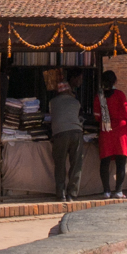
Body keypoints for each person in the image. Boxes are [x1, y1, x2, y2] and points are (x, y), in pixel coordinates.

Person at [94, 70, 127, 199]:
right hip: (121, 132)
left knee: (105, 162)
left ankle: (106, 191)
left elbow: (97, 116)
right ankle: (118, 191)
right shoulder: (120, 94)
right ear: (115, 81)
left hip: (106, 131)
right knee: (120, 162)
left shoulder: (98, 97)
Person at [48, 70, 85, 202]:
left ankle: (61, 194)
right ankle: (72, 194)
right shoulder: (75, 102)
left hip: (59, 134)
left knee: (60, 164)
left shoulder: (52, 102)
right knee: (76, 164)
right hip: (76, 132)